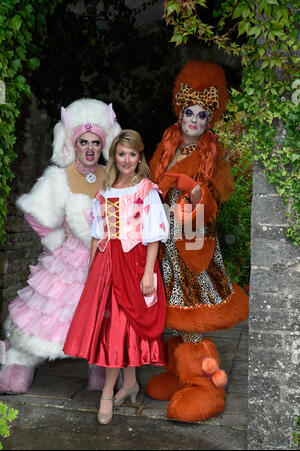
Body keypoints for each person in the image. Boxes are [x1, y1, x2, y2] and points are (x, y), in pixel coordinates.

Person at [145, 61, 249, 422]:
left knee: (194, 317)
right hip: (165, 246)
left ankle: (206, 389)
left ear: (209, 119)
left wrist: (195, 199)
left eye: (201, 114)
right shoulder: (167, 142)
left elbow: (213, 202)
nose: (193, 120)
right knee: (174, 316)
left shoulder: (210, 153)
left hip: (192, 245)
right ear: (180, 110)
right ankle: (180, 376)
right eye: (188, 111)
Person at [0, 98, 122, 394]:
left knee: (103, 316)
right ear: (73, 144)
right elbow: (35, 213)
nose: (90, 148)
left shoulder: (112, 176)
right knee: (47, 314)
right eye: (84, 141)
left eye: (96, 142)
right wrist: (56, 240)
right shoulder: (60, 176)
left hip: (103, 260)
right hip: (67, 261)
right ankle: (18, 364)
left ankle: (102, 371)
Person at [63, 129, 169, 425]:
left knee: (130, 323)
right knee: (114, 326)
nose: (126, 159)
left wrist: (149, 272)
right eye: (121, 153)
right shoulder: (106, 191)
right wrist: (91, 273)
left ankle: (112, 390)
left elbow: (154, 237)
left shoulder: (147, 190)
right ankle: (124, 385)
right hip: (107, 264)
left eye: (132, 154)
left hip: (134, 262)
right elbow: (98, 234)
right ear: (114, 156)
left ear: (139, 158)